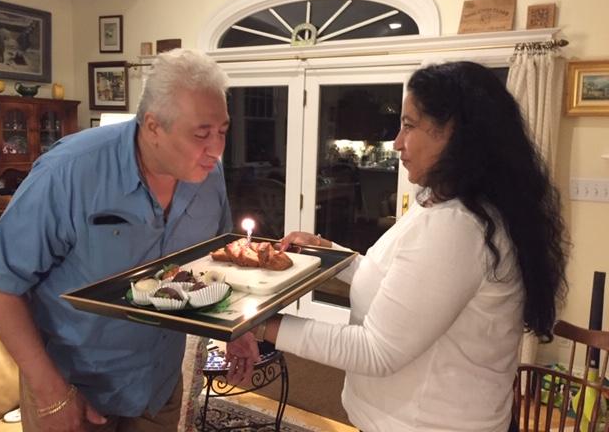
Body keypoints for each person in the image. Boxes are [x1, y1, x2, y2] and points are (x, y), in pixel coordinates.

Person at [227, 61, 569, 432]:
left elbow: (376, 351)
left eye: (409, 125)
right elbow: (399, 283)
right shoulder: (447, 205)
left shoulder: (458, 227)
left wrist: (257, 324)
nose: (397, 142)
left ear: (454, 132)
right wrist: (328, 252)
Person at [0, 48, 232, 432]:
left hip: (158, 385)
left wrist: (240, 331)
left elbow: (217, 259)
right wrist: (50, 392)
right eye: (201, 134)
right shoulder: (68, 172)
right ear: (153, 126)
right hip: (72, 389)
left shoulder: (209, 174)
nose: (216, 148)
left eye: (223, 132)